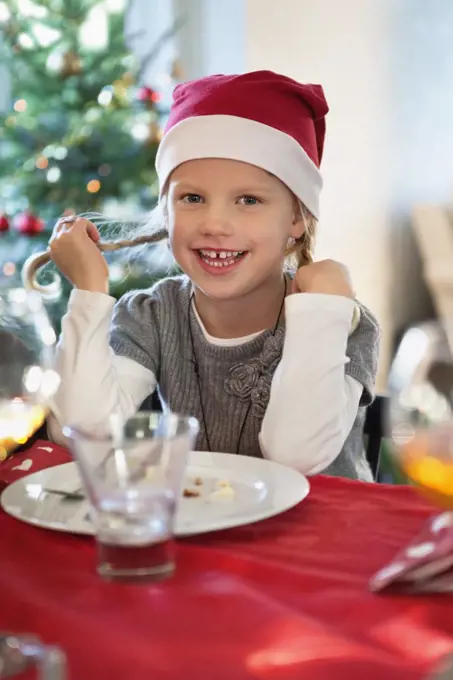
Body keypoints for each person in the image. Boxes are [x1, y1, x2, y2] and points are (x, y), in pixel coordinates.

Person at [23, 70, 380, 480]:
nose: (215, 223)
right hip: (204, 533)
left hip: (324, 536)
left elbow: (295, 458)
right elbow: (84, 432)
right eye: (192, 198)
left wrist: (321, 310)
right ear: (167, 210)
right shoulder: (152, 315)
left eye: (249, 200)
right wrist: (89, 290)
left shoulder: (343, 322)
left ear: (297, 217)